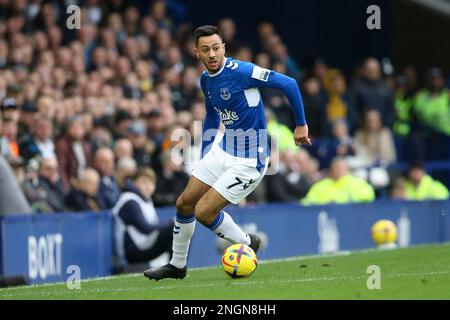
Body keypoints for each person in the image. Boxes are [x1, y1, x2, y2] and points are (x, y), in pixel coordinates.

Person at [144, 25, 311, 280]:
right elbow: (212, 113)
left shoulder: (243, 71)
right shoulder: (205, 79)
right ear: (196, 53)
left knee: (204, 212)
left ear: (224, 48)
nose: (211, 54)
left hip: (250, 158)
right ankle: (177, 265)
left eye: (215, 48)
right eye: (205, 49)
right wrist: (206, 150)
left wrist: (300, 124)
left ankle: (246, 241)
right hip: (224, 148)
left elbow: (288, 83)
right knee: (184, 203)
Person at [112, 168, 174, 270]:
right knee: (175, 227)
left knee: (181, 227)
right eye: (144, 182)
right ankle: (175, 268)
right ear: (134, 182)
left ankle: (175, 266)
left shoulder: (146, 200)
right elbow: (145, 228)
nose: (148, 186)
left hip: (144, 245)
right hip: (133, 251)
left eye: (151, 183)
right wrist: (170, 223)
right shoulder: (129, 200)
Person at [301, 157, 375, 205]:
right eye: (335, 168)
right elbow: (307, 201)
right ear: (331, 170)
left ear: (347, 170)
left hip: (350, 215)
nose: (338, 171)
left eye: (341, 168)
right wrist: (324, 203)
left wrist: (341, 200)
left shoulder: (357, 182)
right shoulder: (322, 184)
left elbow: (369, 194)